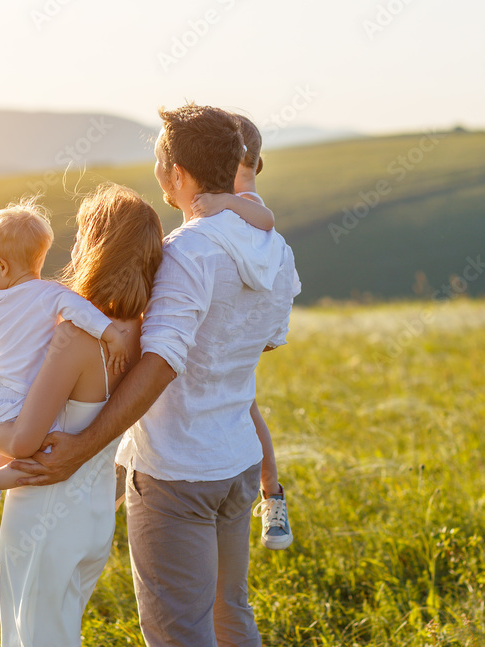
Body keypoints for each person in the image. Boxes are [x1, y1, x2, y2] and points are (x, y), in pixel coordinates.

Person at [10, 104, 301, 647]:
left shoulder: (186, 253)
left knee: (177, 631)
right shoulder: (277, 251)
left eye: (160, 163)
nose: (157, 175)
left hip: (175, 470)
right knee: (228, 610)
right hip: (237, 460)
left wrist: (81, 446)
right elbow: (265, 339)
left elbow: (163, 363)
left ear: (180, 176)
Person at [0, 183, 163, 646]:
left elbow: (22, 442)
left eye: (79, 235)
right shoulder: (143, 330)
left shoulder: (74, 337)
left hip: (43, 513)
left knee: (29, 639)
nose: (71, 246)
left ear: (96, 246)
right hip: (97, 514)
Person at [0, 198, 131, 548]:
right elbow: (83, 313)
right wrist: (112, 334)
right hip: (15, 396)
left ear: (2, 266)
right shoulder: (51, 294)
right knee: (49, 446)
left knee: (27, 440)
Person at [188, 113, 294, 550]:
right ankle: (270, 493)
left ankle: (272, 494)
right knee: (244, 404)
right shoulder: (234, 197)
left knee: (245, 407)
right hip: (245, 319)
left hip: (240, 321)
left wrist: (227, 204)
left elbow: (265, 220)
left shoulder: (246, 198)